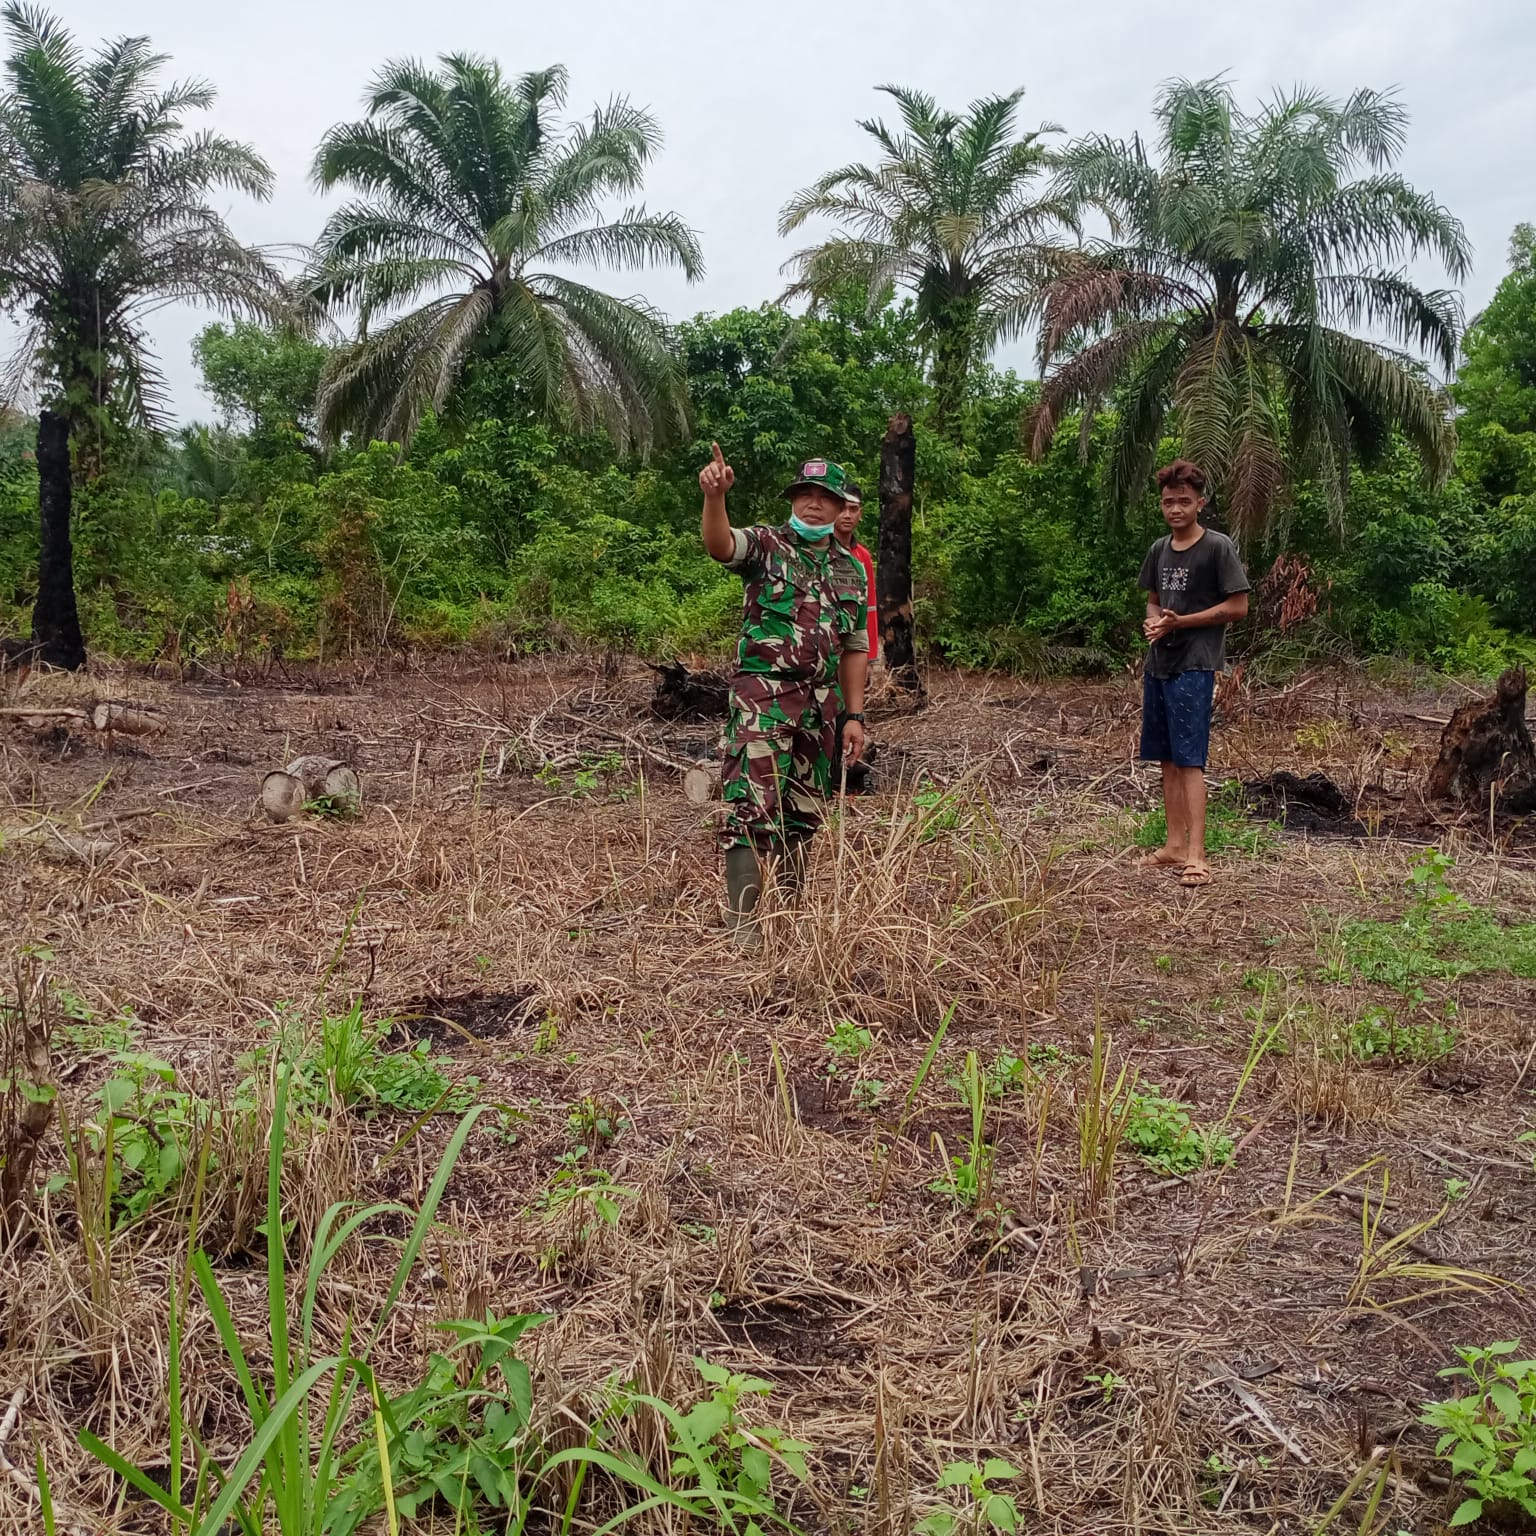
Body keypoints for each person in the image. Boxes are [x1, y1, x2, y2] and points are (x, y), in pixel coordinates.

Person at [699, 443, 870, 948]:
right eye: (803, 494)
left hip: (821, 706)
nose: (812, 504)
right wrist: (714, 498)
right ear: (792, 501)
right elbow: (721, 545)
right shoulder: (767, 544)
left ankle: (792, 920)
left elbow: (854, 647)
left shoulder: (852, 570)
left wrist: (853, 716)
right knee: (751, 806)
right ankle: (744, 932)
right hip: (764, 696)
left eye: (824, 497)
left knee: (802, 810)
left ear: (842, 508)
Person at [1136, 459, 1250, 888]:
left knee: (1190, 759)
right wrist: (1153, 621)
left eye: (1184, 501)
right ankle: (1173, 845)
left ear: (1200, 503)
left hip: (1195, 664)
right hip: (1159, 663)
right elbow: (1153, 599)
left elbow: (1238, 608)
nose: (1175, 509)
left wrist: (1181, 622)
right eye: (1168, 502)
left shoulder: (1217, 547)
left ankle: (1198, 855)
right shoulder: (1158, 550)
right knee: (1166, 758)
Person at [830, 480, 877, 792]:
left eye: (854, 509)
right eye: (843, 508)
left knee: (850, 713)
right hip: (821, 652)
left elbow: (868, 610)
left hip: (851, 649)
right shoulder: (816, 551)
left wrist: (872, 658)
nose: (847, 515)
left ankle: (849, 779)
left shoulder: (862, 557)